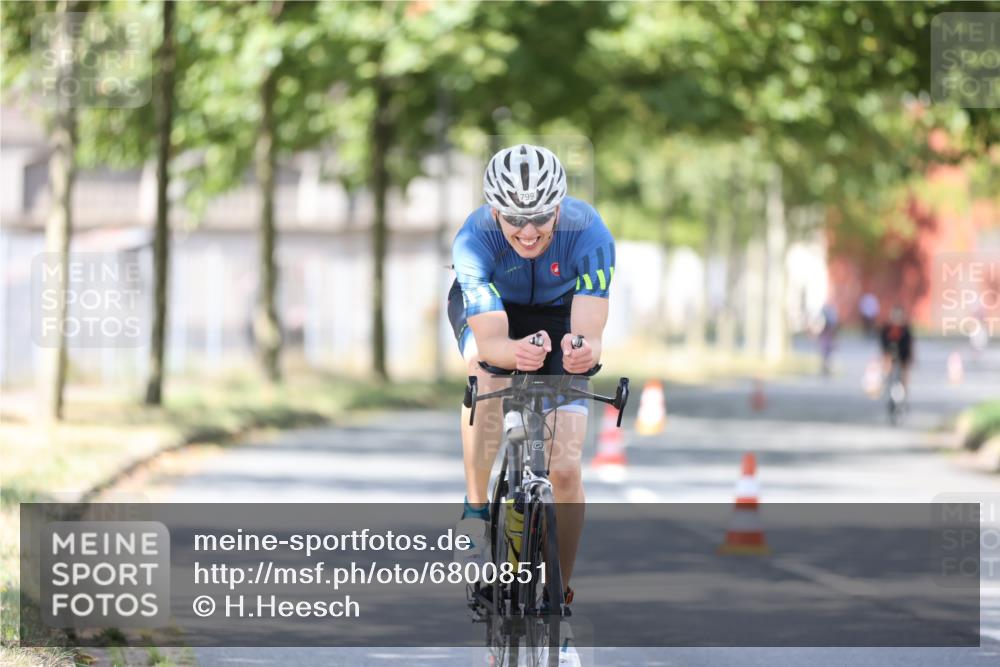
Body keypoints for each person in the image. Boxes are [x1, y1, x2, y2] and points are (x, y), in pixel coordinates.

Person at [448, 144, 615, 617]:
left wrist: (578, 354)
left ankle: (559, 587)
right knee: (484, 372)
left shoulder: (590, 233)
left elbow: (591, 338)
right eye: (513, 219)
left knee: (564, 468)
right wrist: (514, 354)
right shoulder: (473, 240)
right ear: (494, 210)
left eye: (540, 217)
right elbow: (493, 343)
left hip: (563, 311)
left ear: (558, 207)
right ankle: (478, 509)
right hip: (494, 310)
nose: (526, 231)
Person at [879, 306, 914, 393]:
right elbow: (883, 342)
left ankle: (904, 389)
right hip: (890, 350)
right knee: (888, 363)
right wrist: (885, 354)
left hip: (903, 352)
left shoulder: (905, 329)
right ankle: (887, 381)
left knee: (904, 369)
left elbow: (909, 344)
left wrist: (910, 356)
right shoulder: (887, 328)